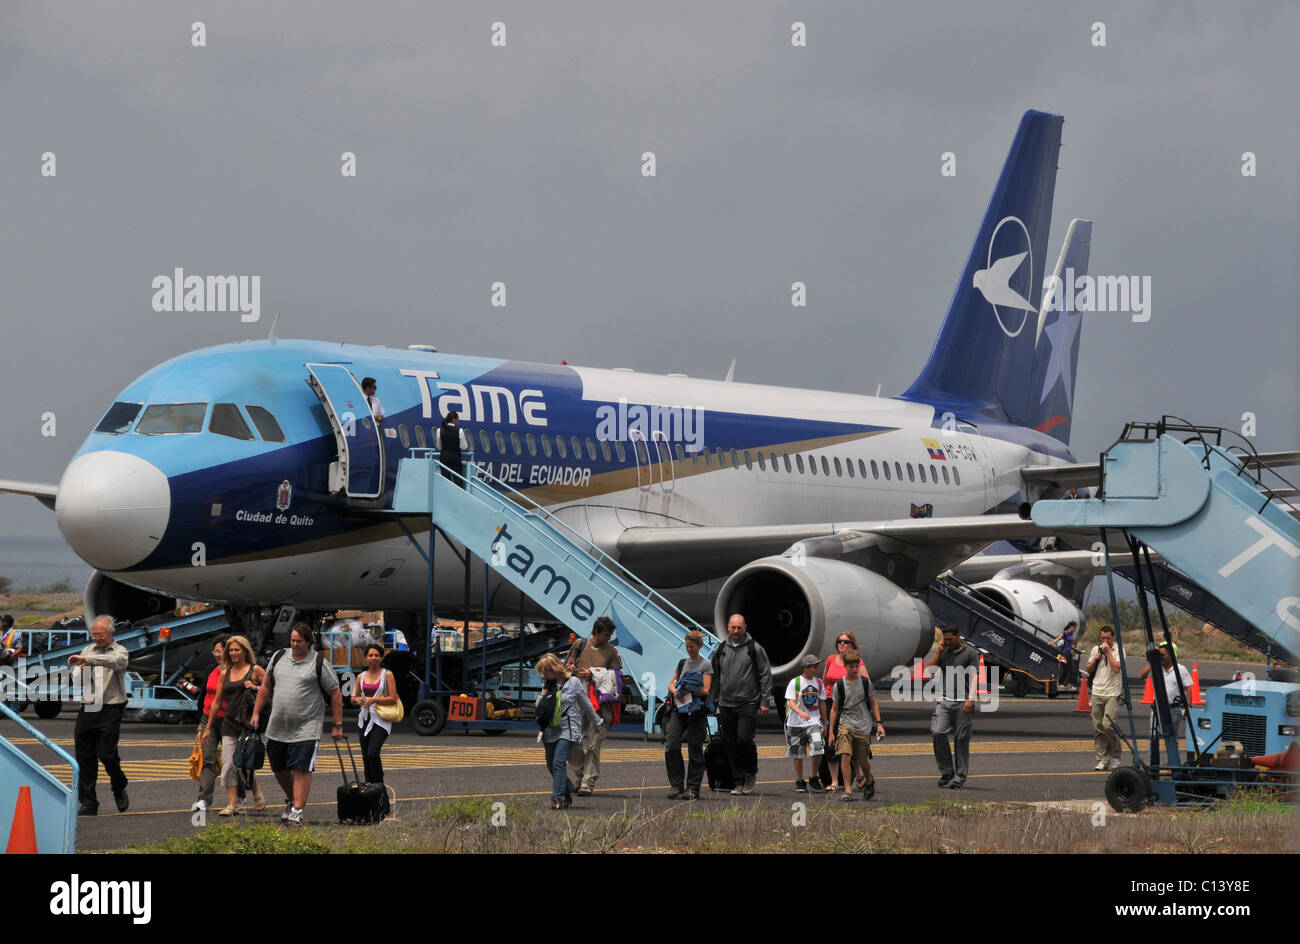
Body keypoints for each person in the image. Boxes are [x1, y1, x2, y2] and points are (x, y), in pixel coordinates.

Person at [250, 623, 343, 826]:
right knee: (278, 767)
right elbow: (266, 686)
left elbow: (335, 693)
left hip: (306, 727)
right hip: (277, 726)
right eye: (292, 640)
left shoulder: (318, 662)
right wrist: (256, 712)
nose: (294, 644)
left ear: (308, 642)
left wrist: (337, 724)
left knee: (301, 768)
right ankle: (292, 800)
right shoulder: (279, 657)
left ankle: (297, 810)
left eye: (298, 641)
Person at [70, 616, 129, 815]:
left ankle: (119, 784)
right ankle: (88, 801)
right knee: (84, 755)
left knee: (107, 753)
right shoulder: (87, 650)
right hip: (89, 705)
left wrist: (88, 660)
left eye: (100, 635)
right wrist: (82, 670)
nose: (96, 638)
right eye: (94, 635)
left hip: (111, 705)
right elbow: (77, 681)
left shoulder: (119, 651)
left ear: (110, 634)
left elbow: (116, 663)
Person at [203, 635, 266, 815]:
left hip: (247, 721)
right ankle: (232, 804)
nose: (233, 653)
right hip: (229, 722)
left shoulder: (255, 670)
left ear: (245, 651)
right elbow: (216, 702)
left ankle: (257, 794)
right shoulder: (226, 673)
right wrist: (208, 727)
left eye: (237, 649)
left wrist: (254, 687)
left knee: (244, 763)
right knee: (229, 764)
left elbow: (272, 689)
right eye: (230, 650)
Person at [711, 613, 773, 796]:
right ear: (728, 627)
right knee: (729, 743)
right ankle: (738, 781)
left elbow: (765, 674)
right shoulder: (721, 648)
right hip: (726, 703)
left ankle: (750, 772)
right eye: (733, 628)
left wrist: (764, 701)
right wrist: (713, 701)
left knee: (744, 739)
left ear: (745, 627)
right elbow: (715, 676)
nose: (736, 631)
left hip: (747, 702)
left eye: (739, 628)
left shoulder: (755, 648)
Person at [565, 615, 624, 796]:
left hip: (599, 704)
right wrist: (572, 670)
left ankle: (587, 783)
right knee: (570, 740)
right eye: (605, 635)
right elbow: (566, 665)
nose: (608, 638)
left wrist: (594, 676)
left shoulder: (612, 652)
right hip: (577, 700)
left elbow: (617, 678)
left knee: (593, 744)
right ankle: (580, 773)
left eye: (610, 635)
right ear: (596, 632)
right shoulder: (580, 645)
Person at [536, 652, 602, 810]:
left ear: (554, 669)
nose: (545, 675)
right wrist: (542, 698)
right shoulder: (548, 684)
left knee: (559, 763)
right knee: (551, 765)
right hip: (550, 729)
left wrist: (597, 721)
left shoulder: (573, 682)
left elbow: (585, 703)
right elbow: (540, 703)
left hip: (568, 728)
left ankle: (556, 798)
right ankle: (567, 790)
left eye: (546, 671)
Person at [193, 635, 246, 813]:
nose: (217, 654)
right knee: (208, 759)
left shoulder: (236, 672)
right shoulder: (210, 670)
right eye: (215, 651)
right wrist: (202, 722)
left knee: (231, 761)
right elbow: (203, 697)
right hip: (209, 718)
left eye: (220, 650)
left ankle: (239, 796)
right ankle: (204, 800)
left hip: (229, 720)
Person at [925, 624, 978, 789]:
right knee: (937, 732)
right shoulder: (944, 651)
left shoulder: (970, 653)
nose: (947, 642)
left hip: (963, 702)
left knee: (961, 739)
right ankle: (947, 771)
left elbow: (975, 676)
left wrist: (971, 699)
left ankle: (960, 776)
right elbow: (930, 671)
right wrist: (939, 652)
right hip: (944, 700)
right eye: (944, 640)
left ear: (958, 636)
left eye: (949, 639)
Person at [828, 648, 884, 800]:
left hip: (863, 725)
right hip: (845, 724)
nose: (854, 669)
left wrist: (879, 723)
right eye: (850, 666)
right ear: (845, 666)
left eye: (856, 666)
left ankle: (869, 780)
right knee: (845, 756)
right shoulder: (839, 686)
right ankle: (848, 790)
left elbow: (873, 703)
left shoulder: (866, 683)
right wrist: (831, 732)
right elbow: (834, 709)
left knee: (862, 761)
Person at [664, 630, 712, 799]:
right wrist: (675, 690)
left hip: (696, 710)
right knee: (671, 743)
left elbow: (706, 689)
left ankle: (693, 787)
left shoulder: (706, 665)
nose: (689, 649)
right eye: (687, 646)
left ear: (699, 646)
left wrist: (690, 689)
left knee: (694, 747)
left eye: (692, 646)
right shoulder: (682, 662)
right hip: (680, 708)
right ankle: (676, 785)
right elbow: (671, 683)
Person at [1137, 640, 1191, 766]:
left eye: (1163, 655)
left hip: (1174, 709)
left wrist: (1187, 707)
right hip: (1157, 709)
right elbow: (1141, 676)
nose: (1161, 657)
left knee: (1171, 738)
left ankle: (1173, 764)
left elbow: (1189, 687)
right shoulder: (1157, 668)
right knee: (1153, 737)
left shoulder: (1180, 669)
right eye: (1159, 655)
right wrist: (1152, 663)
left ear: (1171, 655)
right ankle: (1152, 764)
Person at [352, 643, 399, 784]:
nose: (373, 658)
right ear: (365, 658)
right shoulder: (360, 676)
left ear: (382, 657)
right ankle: (369, 787)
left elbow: (392, 698)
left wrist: (374, 700)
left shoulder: (387, 674)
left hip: (381, 719)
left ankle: (379, 786)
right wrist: (357, 700)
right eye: (370, 655)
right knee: (366, 757)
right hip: (364, 719)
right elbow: (353, 698)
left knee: (373, 753)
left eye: (377, 655)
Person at [820, 630, 860, 791]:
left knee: (850, 742)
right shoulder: (831, 659)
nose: (842, 644)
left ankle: (860, 776)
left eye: (846, 642)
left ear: (852, 645)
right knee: (830, 740)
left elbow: (864, 683)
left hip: (847, 705)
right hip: (831, 704)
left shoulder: (855, 662)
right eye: (839, 641)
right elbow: (824, 681)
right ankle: (834, 781)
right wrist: (820, 702)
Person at [784, 655, 827, 793]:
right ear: (806, 668)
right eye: (814, 667)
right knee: (797, 753)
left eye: (817, 666)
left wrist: (825, 722)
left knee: (818, 747)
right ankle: (799, 780)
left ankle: (813, 777)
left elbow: (822, 703)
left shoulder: (819, 683)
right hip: (796, 723)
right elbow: (790, 702)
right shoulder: (795, 682)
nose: (817, 670)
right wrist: (800, 712)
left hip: (813, 721)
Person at [1085, 625, 1125, 771]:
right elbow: (1088, 668)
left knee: (1108, 725)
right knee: (1098, 727)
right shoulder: (1096, 649)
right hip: (1097, 691)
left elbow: (1116, 668)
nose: (1105, 641)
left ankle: (1115, 755)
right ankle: (1102, 759)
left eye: (1108, 638)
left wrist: (1108, 652)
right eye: (1103, 638)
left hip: (1112, 693)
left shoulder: (1119, 650)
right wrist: (1095, 659)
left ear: (1113, 637)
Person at [435, 411, 469, 482]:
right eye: (458, 420)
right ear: (454, 420)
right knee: (457, 480)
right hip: (455, 458)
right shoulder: (459, 431)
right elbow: (464, 446)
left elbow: (439, 447)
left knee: (445, 480)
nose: (458, 421)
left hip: (444, 458)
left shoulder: (439, 430)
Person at [1050, 621, 1079, 686]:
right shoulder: (1065, 632)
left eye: (1075, 628)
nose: (1075, 629)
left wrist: (1075, 646)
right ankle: (1061, 682)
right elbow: (1058, 638)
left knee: (1068, 667)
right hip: (1063, 653)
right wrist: (1052, 643)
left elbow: (1070, 643)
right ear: (1070, 627)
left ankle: (1065, 682)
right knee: (1063, 667)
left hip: (1068, 653)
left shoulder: (1071, 634)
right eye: (1074, 628)